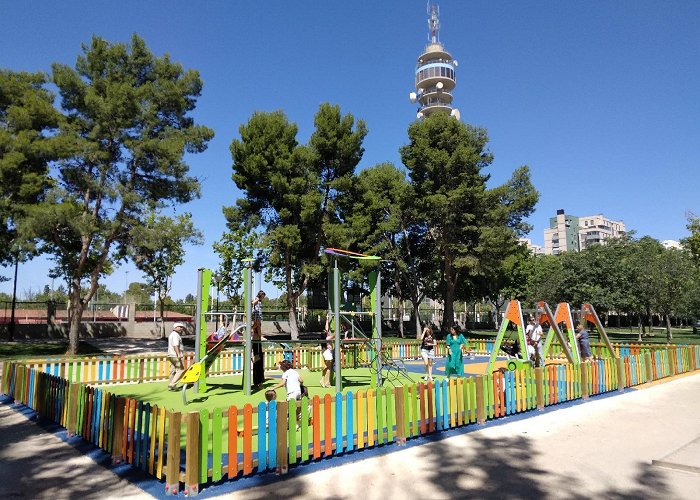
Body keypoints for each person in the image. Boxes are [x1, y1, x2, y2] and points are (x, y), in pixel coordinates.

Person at [251, 290, 266, 387]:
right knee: (257, 357)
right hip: (256, 320)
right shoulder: (256, 301)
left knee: (259, 356)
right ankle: (257, 380)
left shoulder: (259, 302)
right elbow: (253, 304)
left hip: (257, 321)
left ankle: (260, 378)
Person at [167, 322, 186, 391]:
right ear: (175, 327)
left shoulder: (172, 334)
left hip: (171, 355)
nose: (182, 328)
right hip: (176, 355)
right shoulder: (175, 335)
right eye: (180, 327)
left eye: (182, 327)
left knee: (173, 370)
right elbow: (176, 345)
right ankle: (172, 384)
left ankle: (171, 385)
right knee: (181, 370)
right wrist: (178, 354)